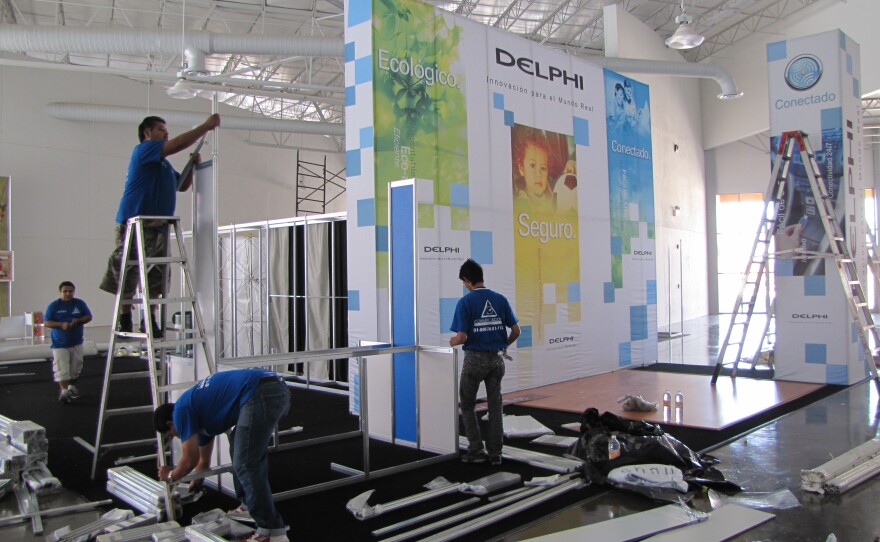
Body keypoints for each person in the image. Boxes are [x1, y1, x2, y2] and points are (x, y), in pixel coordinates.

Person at [99, 113, 221, 337]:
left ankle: (150, 318)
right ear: (147, 133)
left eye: (166, 130)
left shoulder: (162, 165)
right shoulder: (144, 150)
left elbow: (181, 185)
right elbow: (175, 145)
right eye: (160, 129)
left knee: (157, 274)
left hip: (159, 225)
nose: (166, 133)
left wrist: (191, 165)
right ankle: (125, 316)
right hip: (137, 223)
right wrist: (205, 126)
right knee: (129, 268)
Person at [153, 369, 290, 542]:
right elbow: (202, 462)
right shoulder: (200, 419)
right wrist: (196, 482)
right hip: (272, 389)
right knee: (238, 449)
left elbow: (189, 460)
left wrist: (170, 475)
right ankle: (249, 505)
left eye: (171, 434)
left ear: (170, 423)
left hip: (261, 392)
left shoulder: (180, 410)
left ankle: (272, 532)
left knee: (245, 462)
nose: (176, 437)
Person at [449, 259, 520, 466]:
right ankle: (496, 453)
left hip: (474, 360)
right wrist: (503, 346)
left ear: (467, 280)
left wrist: (453, 341)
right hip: (497, 361)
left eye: (464, 282)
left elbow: (461, 337)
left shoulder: (465, 303)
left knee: (468, 405)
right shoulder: (499, 299)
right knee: (495, 406)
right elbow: (516, 331)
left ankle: (475, 449)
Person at [44, 281, 93, 404]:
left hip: (76, 341)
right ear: (60, 292)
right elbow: (47, 322)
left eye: (70, 291)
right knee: (61, 368)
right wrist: (61, 325)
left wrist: (78, 321)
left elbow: (88, 316)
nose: (68, 294)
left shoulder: (79, 303)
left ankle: (72, 387)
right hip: (60, 343)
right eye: (65, 291)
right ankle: (64, 391)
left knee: (76, 366)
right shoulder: (54, 306)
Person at [512, 127, 554, 213]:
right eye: (532, 165)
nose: (538, 174)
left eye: (543, 168)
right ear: (521, 169)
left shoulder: (552, 188)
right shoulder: (522, 202)